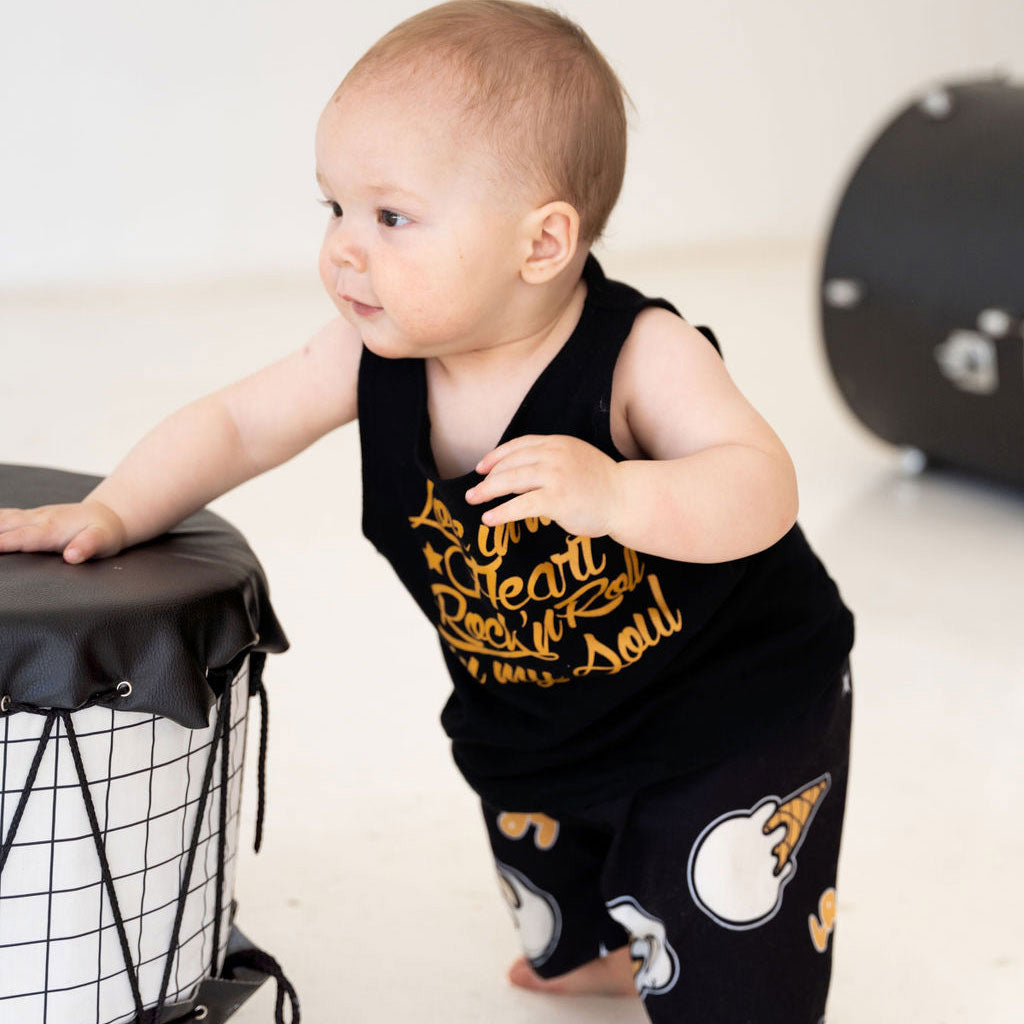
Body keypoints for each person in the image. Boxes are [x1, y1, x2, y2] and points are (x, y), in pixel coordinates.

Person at [0, 2, 854, 1020]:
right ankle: (602, 944)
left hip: (725, 705)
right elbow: (237, 422)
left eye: (390, 216)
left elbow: (760, 484)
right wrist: (115, 508)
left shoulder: (637, 356)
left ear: (541, 243)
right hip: (535, 713)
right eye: (333, 209)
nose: (345, 251)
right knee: (554, 909)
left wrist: (621, 490)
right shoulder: (373, 354)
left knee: (728, 947)